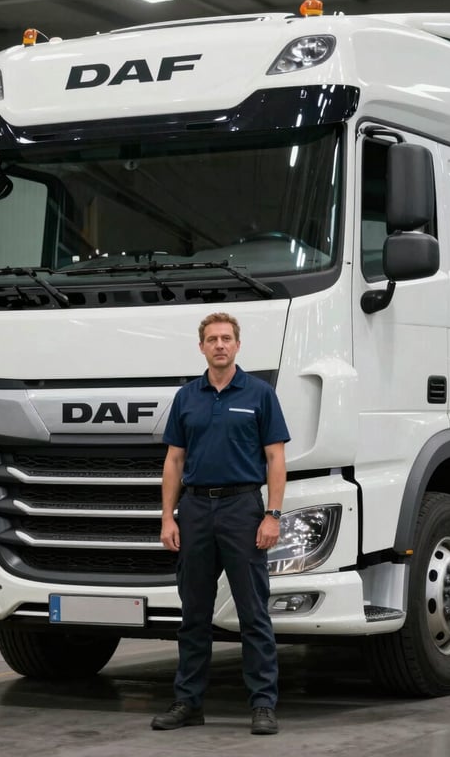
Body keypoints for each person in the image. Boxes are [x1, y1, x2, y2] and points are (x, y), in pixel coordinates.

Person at [150, 312, 290, 736]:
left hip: (242, 509)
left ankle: (263, 704)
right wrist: (167, 518)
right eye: (212, 339)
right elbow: (174, 461)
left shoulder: (260, 394)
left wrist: (273, 514)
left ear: (237, 345)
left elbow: (275, 458)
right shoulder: (187, 397)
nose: (220, 345)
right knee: (193, 614)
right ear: (202, 347)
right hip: (194, 511)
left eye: (227, 338)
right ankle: (188, 703)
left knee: (253, 614)